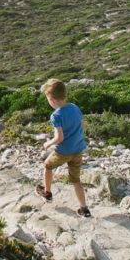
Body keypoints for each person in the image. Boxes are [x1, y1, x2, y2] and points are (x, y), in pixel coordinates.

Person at [36, 78, 90, 217]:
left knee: (48, 166)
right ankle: (84, 209)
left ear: (51, 100)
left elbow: (59, 138)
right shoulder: (74, 107)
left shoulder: (56, 115)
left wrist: (48, 143)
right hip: (78, 150)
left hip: (63, 151)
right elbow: (83, 126)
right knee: (76, 180)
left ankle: (47, 193)